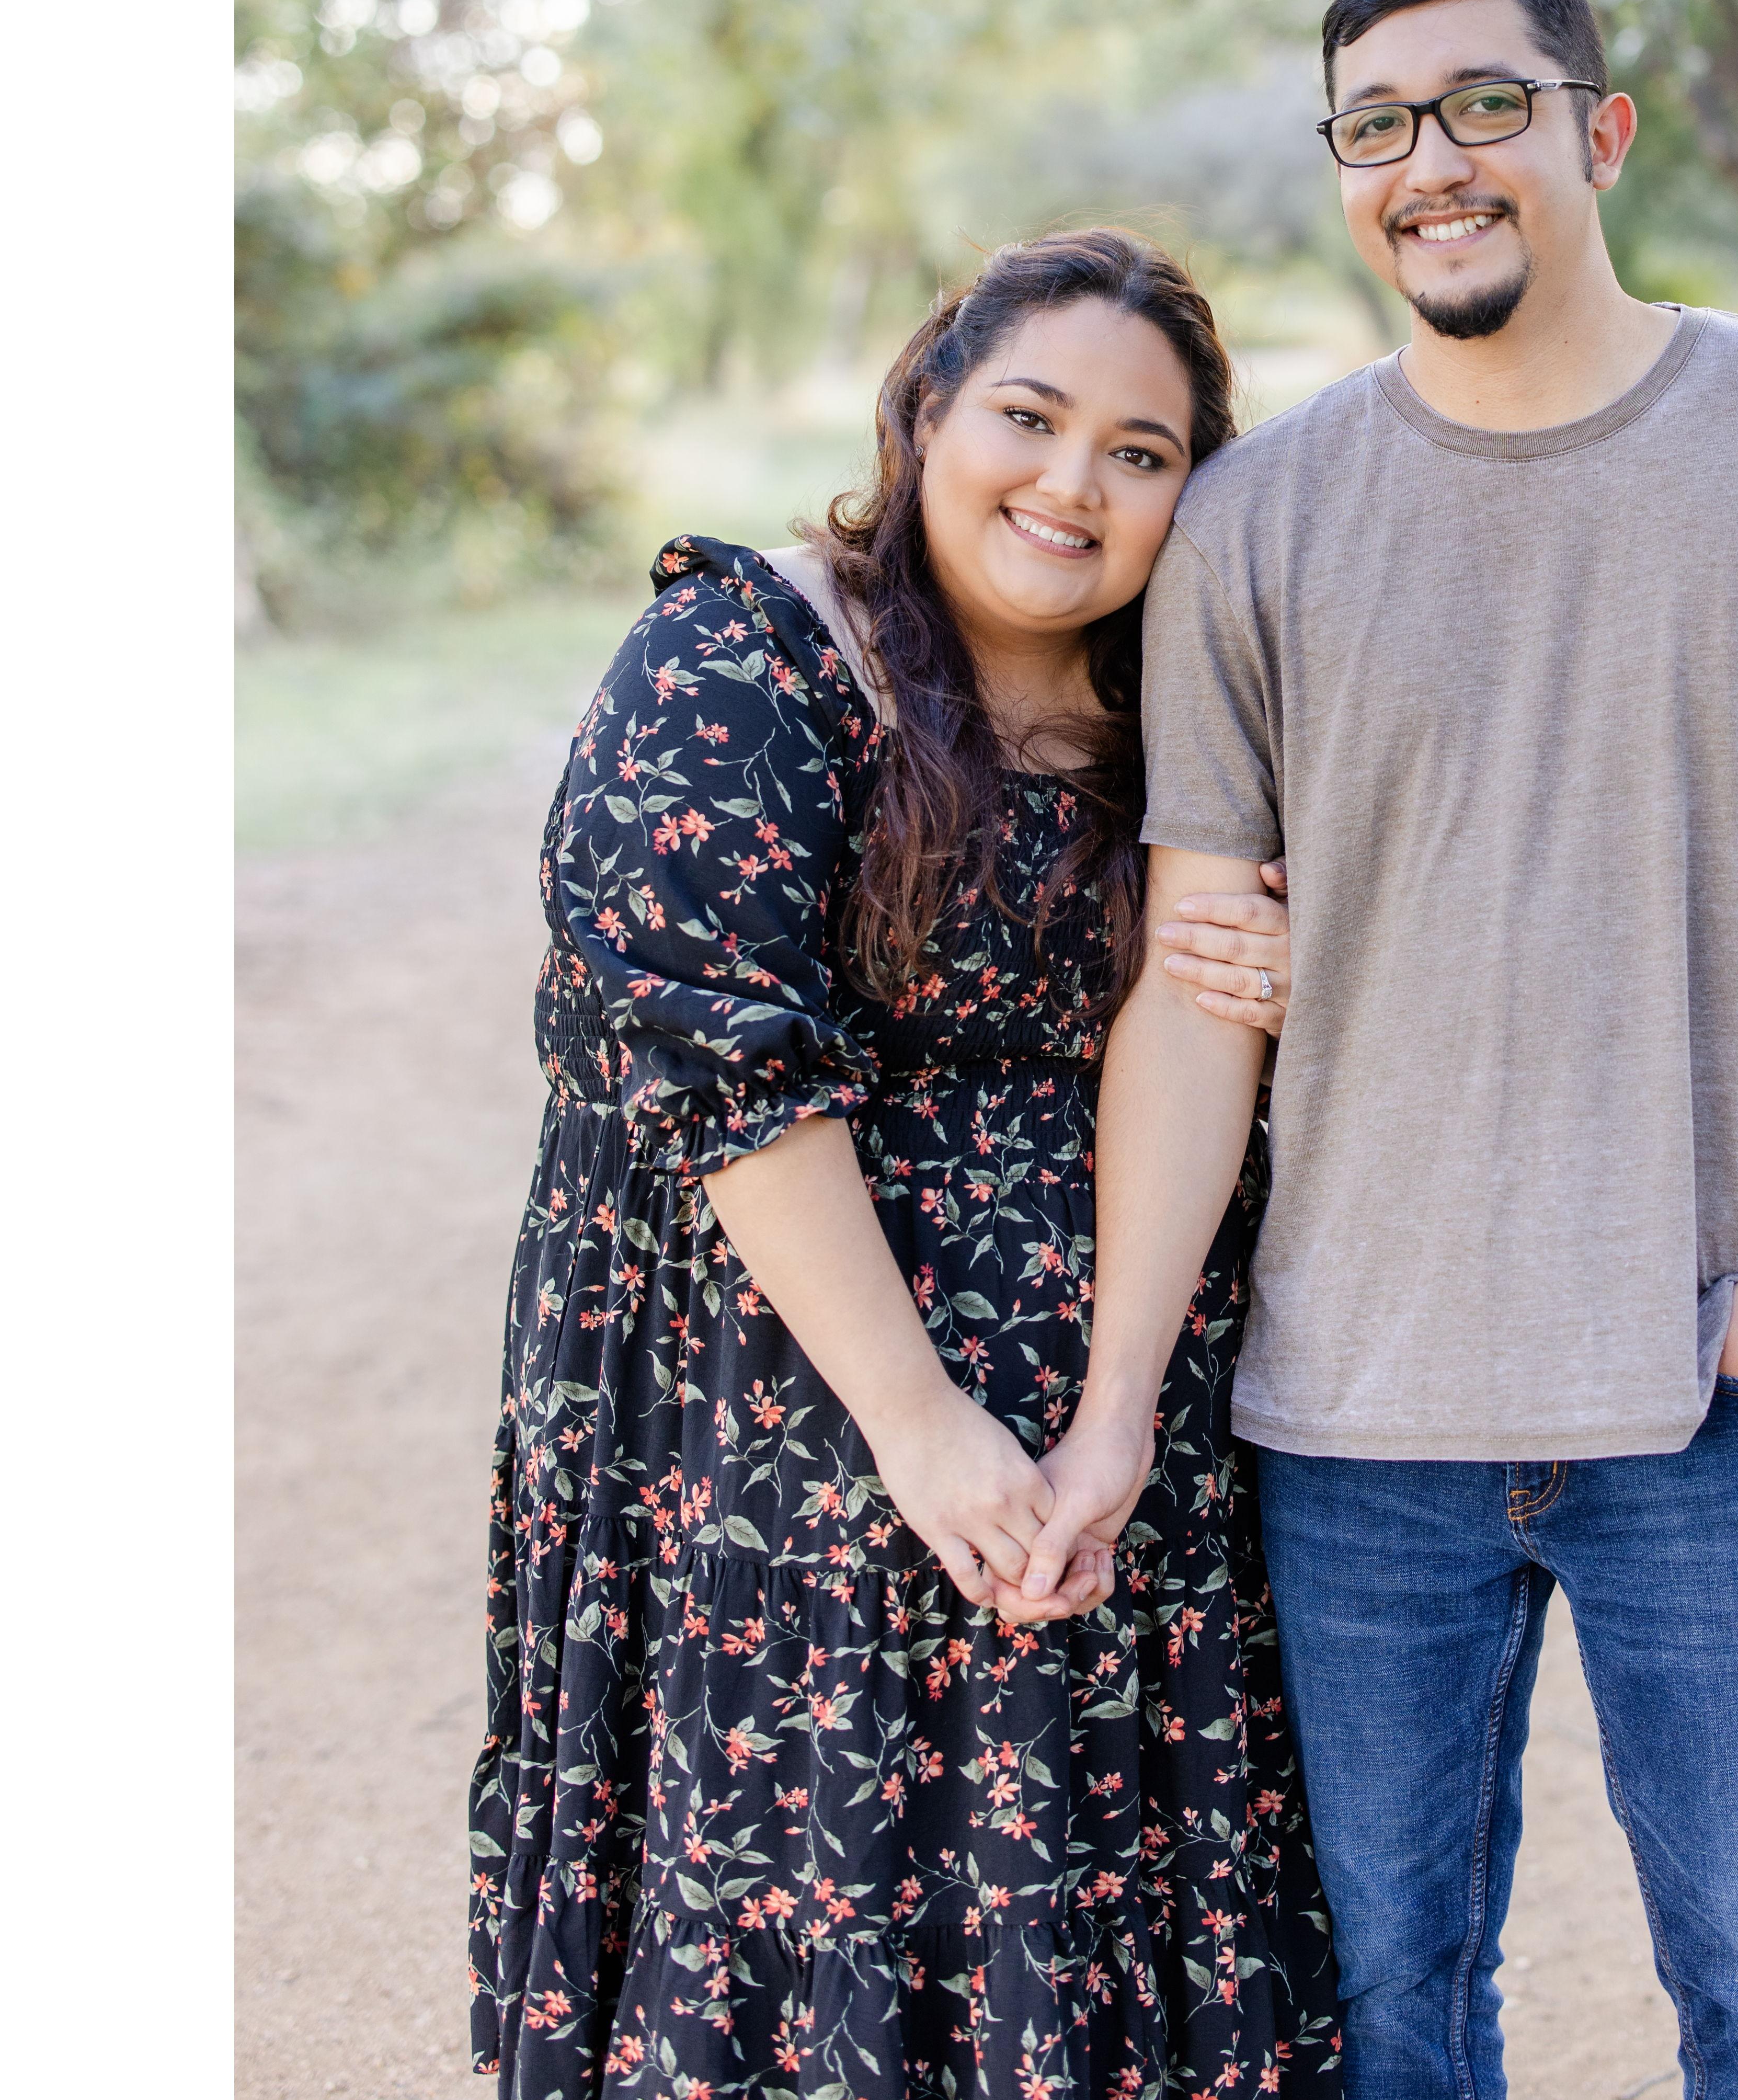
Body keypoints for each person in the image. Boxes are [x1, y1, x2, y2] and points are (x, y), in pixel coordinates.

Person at [1017, 0, 1738, 2100]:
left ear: (1599, 130)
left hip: (1712, 1389)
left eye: (1485, 105)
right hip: (1357, 1415)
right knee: (1392, 2018)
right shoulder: (1254, 519)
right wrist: (1113, 1405)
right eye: (1376, 124)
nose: (1430, 163)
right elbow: (1197, 992)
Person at [467, 229, 1341, 2099]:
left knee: (1088, 1885)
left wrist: (1114, 1409)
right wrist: (923, 1422)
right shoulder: (742, 654)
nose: (1071, 481)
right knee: (812, 1867)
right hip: (782, 1401)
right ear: (926, 410)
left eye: (1140, 451)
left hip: (1121, 1417)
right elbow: (720, 1066)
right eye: (1028, 416)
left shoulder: (1191, 710)